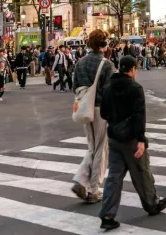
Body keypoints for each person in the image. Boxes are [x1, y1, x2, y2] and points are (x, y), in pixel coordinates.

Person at [98, 56, 166, 230]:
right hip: (131, 138)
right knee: (142, 172)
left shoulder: (108, 86)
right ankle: (152, 203)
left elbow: (103, 113)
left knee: (114, 177)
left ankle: (107, 214)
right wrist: (141, 140)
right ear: (132, 69)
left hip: (114, 137)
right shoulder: (135, 88)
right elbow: (139, 116)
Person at [71, 30, 114, 204]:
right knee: (101, 148)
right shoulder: (106, 64)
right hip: (100, 108)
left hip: (84, 107)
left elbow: (74, 86)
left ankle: (82, 181)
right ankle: (93, 189)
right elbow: (110, 91)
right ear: (104, 44)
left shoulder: (80, 63)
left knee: (92, 147)